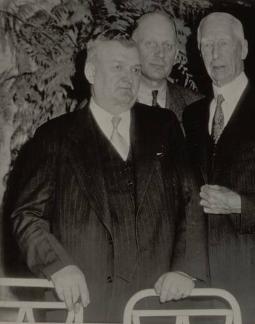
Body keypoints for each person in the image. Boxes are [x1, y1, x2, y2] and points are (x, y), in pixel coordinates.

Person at [7, 36, 207, 323]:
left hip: (154, 303)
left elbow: (191, 200)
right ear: (91, 73)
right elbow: (26, 214)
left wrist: (184, 269)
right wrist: (58, 266)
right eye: (117, 67)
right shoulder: (54, 136)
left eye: (135, 70)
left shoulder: (164, 126)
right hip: (81, 305)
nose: (128, 78)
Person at [182, 12, 255, 324]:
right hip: (201, 288)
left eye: (223, 44)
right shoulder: (191, 115)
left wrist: (240, 205)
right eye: (207, 46)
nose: (215, 54)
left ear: (244, 49)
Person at [132, 11, 202, 123]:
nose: (160, 53)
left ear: (175, 55)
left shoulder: (198, 106)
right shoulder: (109, 100)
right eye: (150, 44)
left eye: (167, 46)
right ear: (133, 48)